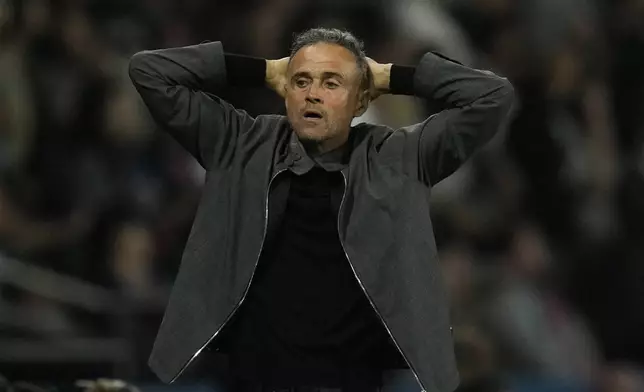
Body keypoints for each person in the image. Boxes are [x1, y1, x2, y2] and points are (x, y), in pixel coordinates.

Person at [128, 27, 514, 392]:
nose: (313, 94)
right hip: (252, 379)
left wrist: (392, 77)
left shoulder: (399, 157)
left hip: (352, 381)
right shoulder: (239, 143)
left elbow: (492, 95)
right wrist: (263, 68)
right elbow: (148, 71)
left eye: (332, 83)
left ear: (361, 99)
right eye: (301, 81)